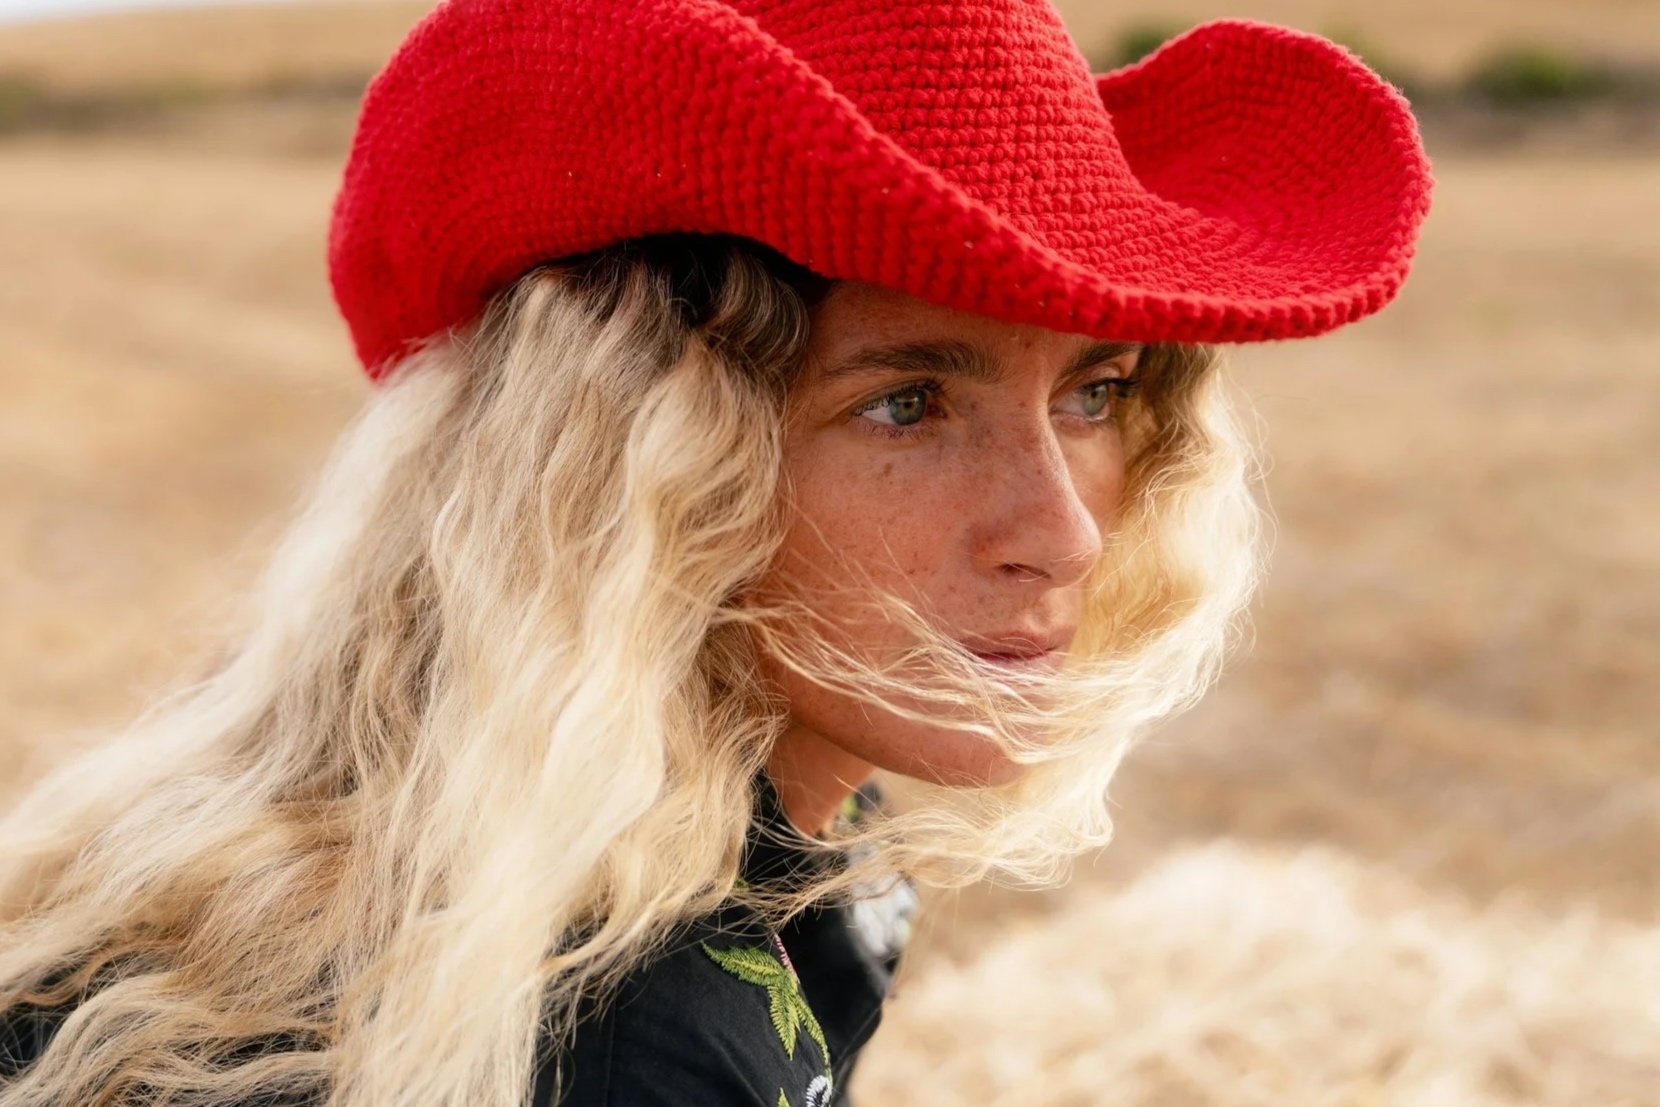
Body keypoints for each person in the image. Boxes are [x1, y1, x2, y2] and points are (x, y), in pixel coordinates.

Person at [0, 1, 1433, 1105]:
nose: (1059, 530)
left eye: (1097, 394)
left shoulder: (779, 840)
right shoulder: (610, 1034)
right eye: (907, 404)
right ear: (620, 477)